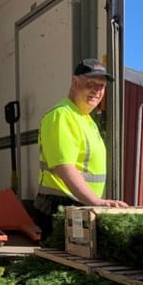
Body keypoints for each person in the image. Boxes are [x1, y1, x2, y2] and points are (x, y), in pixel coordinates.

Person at [33, 58, 128, 238]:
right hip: (59, 207)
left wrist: (94, 203)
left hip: (78, 205)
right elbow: (63, 166)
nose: (97, 91)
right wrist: (95, 202)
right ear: (75, 82)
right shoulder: (61, 115)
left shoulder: (85, 119)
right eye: (90, 83)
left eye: (101, 86)